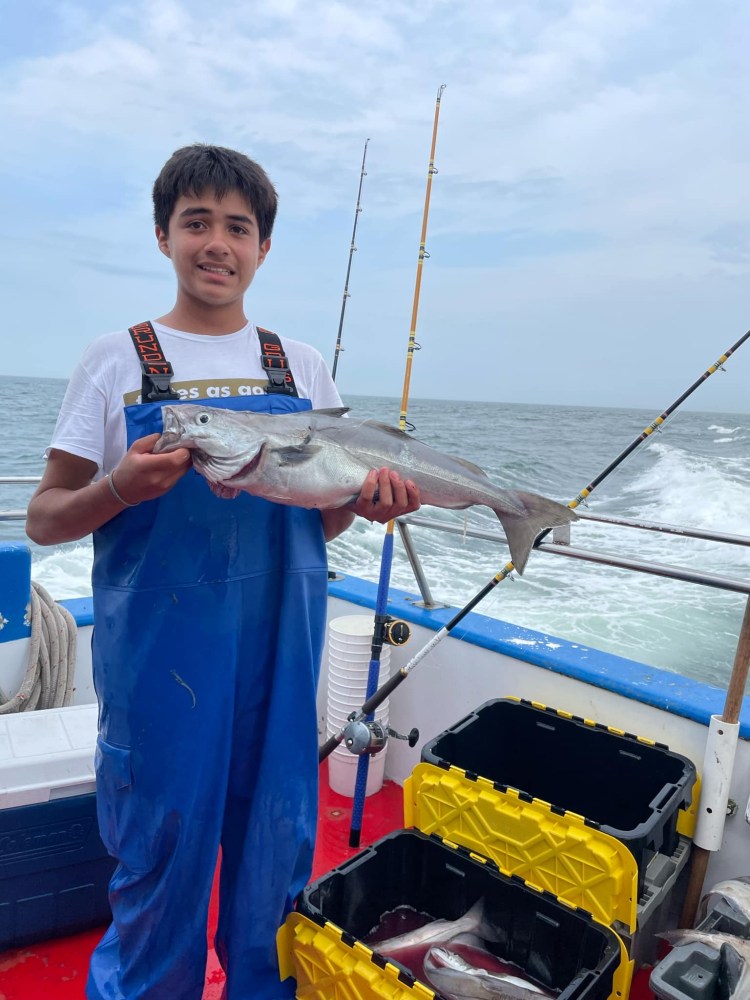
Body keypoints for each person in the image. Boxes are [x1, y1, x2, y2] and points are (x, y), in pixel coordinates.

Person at [26, 143, 421, 1000]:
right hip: (161, 668)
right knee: (157, 857)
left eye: (237, 227)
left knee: (275, 855)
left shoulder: (300, 366)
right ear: (163, 235)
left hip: (282, 661)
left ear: (263, 248)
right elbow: (44, 519)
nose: (217, 243)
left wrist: (368, 500)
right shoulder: (115, 360)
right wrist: (119, 487)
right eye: (195, 222)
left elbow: (326, 513)